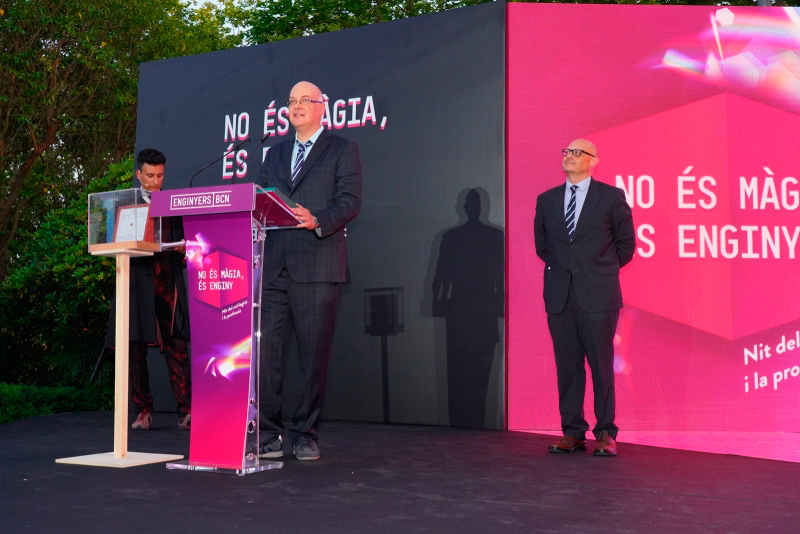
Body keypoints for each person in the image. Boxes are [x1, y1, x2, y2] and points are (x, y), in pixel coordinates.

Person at [256, 81, 362, 460]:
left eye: (305, 101)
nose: (297, 106)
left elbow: (350, 201)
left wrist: (318, 219)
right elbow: (262, 199)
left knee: (312, 355)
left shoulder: (343, 149)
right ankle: (268, 436)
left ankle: (304, 434)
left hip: (318, 263)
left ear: (322, 108)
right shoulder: (275, 153)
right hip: (273, 267)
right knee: (266, 354)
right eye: (292, 102)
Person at [533, 139, 635, 456]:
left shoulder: (611, 197)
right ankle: (573, 431)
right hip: (560, 295)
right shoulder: (547, 199)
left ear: (594, 161)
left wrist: (597, 271)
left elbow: (626, 245)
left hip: (599, 295)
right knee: (568, 366)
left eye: (577, 153)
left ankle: (605, 432)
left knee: (602, 366)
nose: (569, 156)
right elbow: (543, 246)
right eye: (566, 151)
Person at [104, 149, 192, 430]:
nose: (156, 181)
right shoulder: (124, 204)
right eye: (150, 175)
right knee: (134, 349)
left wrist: (184, 247)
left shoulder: (174, 203)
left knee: (177, 348)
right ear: (138, 174)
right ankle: (143, 410)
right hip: (136, 281)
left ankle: (187, 411)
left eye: (160, 175)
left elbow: (187, 243)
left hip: (168, 283)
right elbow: (113, 242)